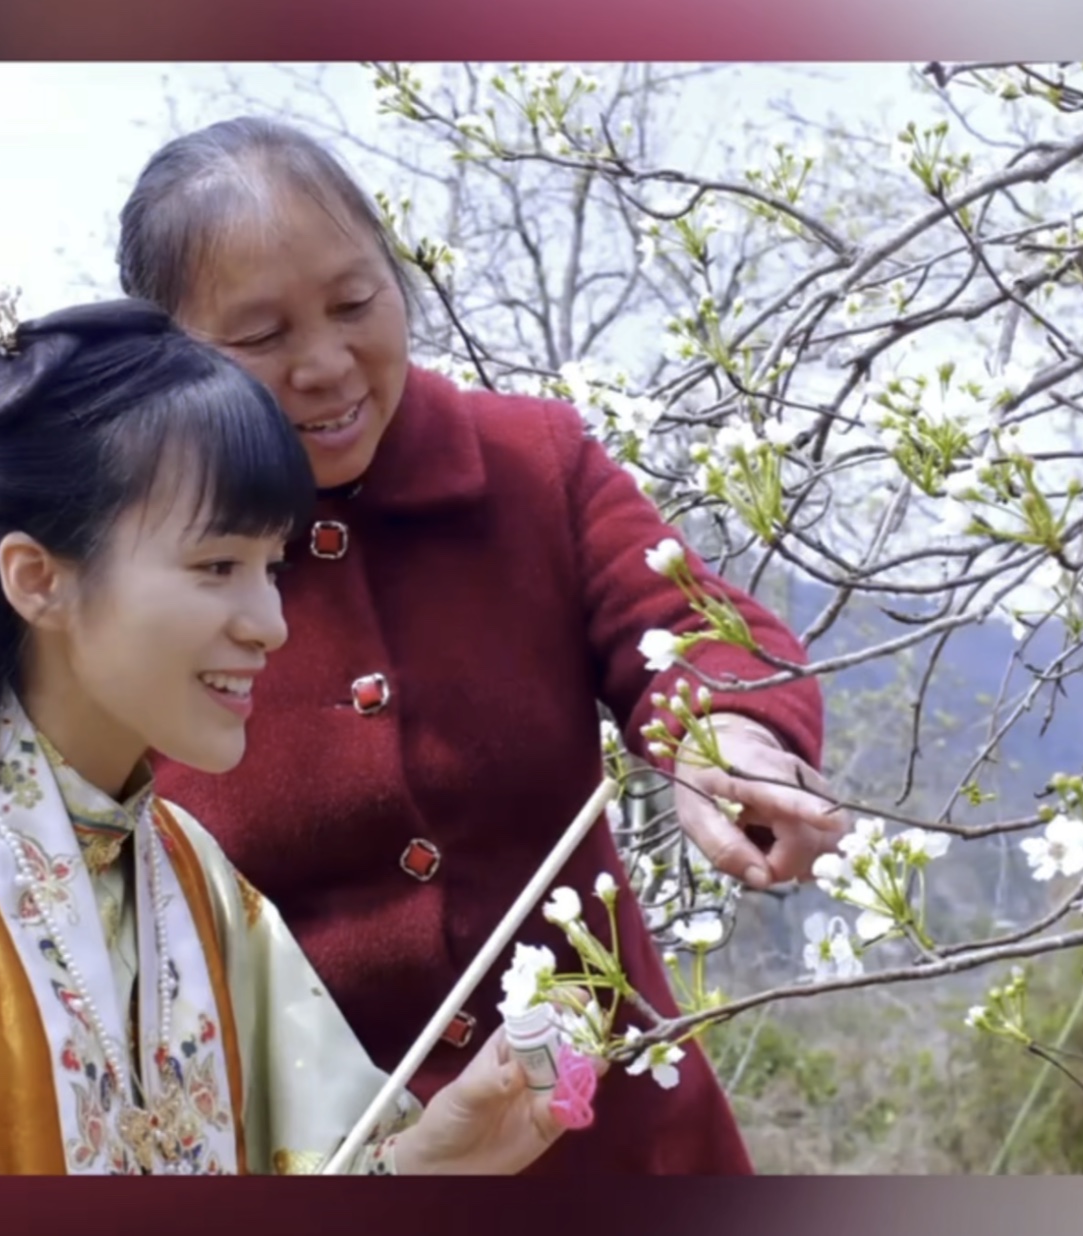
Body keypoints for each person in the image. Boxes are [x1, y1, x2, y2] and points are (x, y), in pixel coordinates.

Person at [0, 299, 586, 1175]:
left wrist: (428, 1170)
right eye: (217, 565)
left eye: (272, 566)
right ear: (39, 580)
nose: (269, 621)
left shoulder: (201, 891)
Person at [114, 118, 843, 1175]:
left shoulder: (528, 465)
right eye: (261, 337)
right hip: (295, 1154)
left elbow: (686, 627)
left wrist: (726, 738)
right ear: (165, 352)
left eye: (357, 304)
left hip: (607, 1138)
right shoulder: (114, 551)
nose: (326, 364)